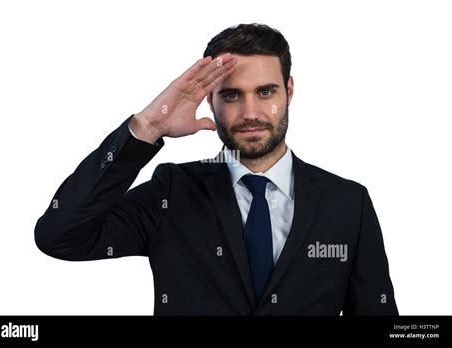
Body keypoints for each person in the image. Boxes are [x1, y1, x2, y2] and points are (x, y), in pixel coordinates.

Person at [34, 23, 398, 315]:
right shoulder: (172, 192)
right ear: (210, 99)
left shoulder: (348, 203)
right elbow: (60, 236)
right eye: (232, 95)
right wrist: (146, 128)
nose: (250, 113)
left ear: (289, 90)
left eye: (266, 92)